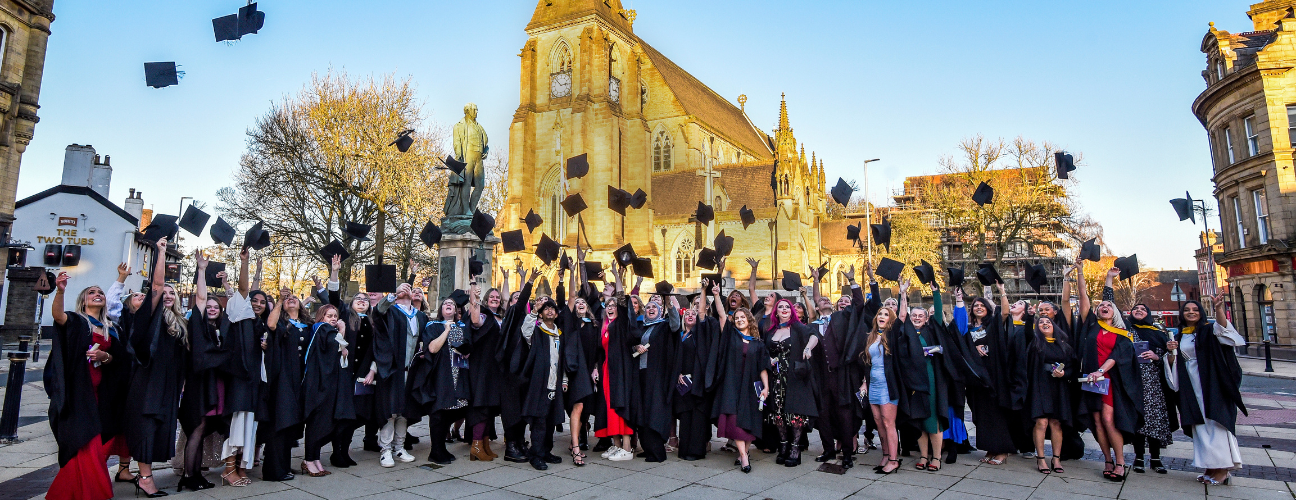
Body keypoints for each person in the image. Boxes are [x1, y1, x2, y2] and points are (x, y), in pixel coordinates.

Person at [45, 273, 130, 500]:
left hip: (102, 392)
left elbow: (117, 360)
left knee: (100, 438)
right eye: (91, 292)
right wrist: (60, 290)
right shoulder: (77, 321)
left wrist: (105, 356)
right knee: (86, 440)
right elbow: (58, 316)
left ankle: (72, 491)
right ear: (84, 300)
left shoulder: (112, 328)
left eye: (100, 292)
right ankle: (90, 492)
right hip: (79, 391)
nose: (97, 295)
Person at [123, 238, 188, 497]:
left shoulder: (180, 322)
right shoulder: (150, 317)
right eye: (165, 293)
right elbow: (158, 285)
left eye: (173, 293)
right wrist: (160, 252)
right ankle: (145, 478)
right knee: (147, 429)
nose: (168, 295)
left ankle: (146, 475)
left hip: (169, 384)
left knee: (161, 429)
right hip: (148, 382)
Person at [1164, 299, 1246, 485]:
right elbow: (1173, 363)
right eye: (1187, 310)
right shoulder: (1179, 336)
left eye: (1195, 309)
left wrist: (1218, 309)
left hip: (1211, 383)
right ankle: (1211, 465)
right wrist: (1170, 353)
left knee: (1215, 423)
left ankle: (1223, 469)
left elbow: (1224, 329)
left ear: (1201, 312)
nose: (1191, 312)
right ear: (1182, 313)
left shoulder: (1209, 330)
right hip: (1190, 385)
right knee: (1200, 426)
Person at [1076, 264, 1143, 482]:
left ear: (1115, 312)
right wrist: (1082, 273)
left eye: (1109, 305)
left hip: (1110, 380)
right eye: (1101, 305)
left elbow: (1117, 356)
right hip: (1092, 381)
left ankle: (1121, 461)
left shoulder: (1123, 333)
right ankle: (1107, 460)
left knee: (1108, 419)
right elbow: (1084, 296)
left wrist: (1100, 371)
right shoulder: (1091, 327)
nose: (1104, 306)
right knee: (1096, 421)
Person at [177, 252, 234, 489]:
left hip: (216, 385)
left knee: (203, 431)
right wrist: (201, 270)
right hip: (199, 385)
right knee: (197, 430)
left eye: (215, 306)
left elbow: (235, 306)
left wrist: (226, 285)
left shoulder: (222, 329)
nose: (211, 308)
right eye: (207, 306)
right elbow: (200, 298)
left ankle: (196, 474)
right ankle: (189, 477)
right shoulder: (197, 328)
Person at [812, 265, 875, 469]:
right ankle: (828, 449)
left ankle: (847, 453)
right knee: (824, 415)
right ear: (817, 306)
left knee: (845, 415)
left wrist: (853, 281)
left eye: (832, 300)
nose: (827, 301)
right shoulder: (812, 325)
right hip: (821, 377)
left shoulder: (841, 318)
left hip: (841, 375)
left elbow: (858, 303)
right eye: (823, 300)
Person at [323, 255, 376, 468]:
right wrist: (334, 271)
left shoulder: (373, 322)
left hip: (363, 374)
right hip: (345, 372)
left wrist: (373, 370)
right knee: (344, 414)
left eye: (365, 299)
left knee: (357, 415)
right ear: (352, 304)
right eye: (358, 299)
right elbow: (334, 298)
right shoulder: (345, 315)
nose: (362, 300)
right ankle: (338, 453)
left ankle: (344, 450)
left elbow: (376, 349)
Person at [707, 295, 770, 474]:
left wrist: (766, 387)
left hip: (751, 386)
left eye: (743, 317)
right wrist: (717, 295)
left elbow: (763, 367)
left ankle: (745, 452)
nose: (740, 320)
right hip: (732, 385)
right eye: (737, 318)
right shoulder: (731, 335)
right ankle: (743, 456)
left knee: (750, 422)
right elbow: (721, 315)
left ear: (750, 320)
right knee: (735, 420)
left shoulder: (758, 343)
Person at [409, 296, 472, 465]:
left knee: (453, 411)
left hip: (459, 374)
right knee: (438, 413)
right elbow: (432, 348)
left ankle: (442, 447)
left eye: (452, 304)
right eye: (445, 304)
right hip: (440, 374)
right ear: (441, 310)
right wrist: (446, 330)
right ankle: (435, 451)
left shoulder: (462, 326)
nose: (449, 305)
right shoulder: (433, 326)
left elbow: (468, 345)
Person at [965, 283, 1022, 466]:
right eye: (975, 305)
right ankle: (990, 447)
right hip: (977, 380)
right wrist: (975, 347)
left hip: (994, 377)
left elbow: (1005, 313)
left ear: (988, 309)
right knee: (981, 415)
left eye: (982, 305)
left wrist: (1002, 291)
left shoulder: (993, 324)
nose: (978, 307)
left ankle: (1003, 450)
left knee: (996, 414)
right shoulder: (969, 328)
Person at [371, 282, 429, 466]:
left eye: (408, 289)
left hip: (412, 371)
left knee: (404, 411)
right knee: (390, 410)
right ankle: (385, 450)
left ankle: (399, 447)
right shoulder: (391, 311)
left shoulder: (420, 316)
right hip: (392, 370)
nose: (405, 291)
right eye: (401, 289)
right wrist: (392, 295)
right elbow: (377, 314)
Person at [260, 285, 309, 480]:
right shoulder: (281, 324)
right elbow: (270, 325)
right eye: (288, 299)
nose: (291, 299)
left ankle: (285, 466)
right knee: (280, 423)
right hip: (283, 379)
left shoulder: (308, 324)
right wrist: (280, 300)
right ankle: (273, 471)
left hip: (301, 381)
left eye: (294, 298)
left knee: (291, 426)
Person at [763, 298, 818, 467]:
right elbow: (764, 350)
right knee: (778, 414)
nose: (785, 309)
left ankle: (795, 449)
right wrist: (769, 360)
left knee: (795, 414)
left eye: (788, 307)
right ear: (776, 312)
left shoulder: (797, 327)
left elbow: (814, 336)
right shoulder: (771, 331)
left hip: (794, 376)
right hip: (776, 378)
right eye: (781, 307)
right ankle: (784, 446)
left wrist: (808, 348)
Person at [301, 304, 352, 475]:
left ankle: (315, 458)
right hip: (319, 386)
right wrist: (343, 329)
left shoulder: (322, 330)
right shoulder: (323, 329)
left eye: (335, 316)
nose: (333, 319)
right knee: (316, 423)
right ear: (321, 317)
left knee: (319, 422)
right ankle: (309, 459)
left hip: (322, 384)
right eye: (329, 315)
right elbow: (338, 346)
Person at [519, 295, 568, 470]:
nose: (549, 311)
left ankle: (546, 451)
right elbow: (525, 331)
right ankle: (536, 454)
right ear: (541, 314)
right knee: (539, 420)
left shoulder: (559, 334)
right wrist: (533, 311)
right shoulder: (537, 331)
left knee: (550, 420)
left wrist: (564, 380)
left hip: (555, 382)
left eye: (552, 309)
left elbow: (562, 360)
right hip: (539, 382)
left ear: (556, 314)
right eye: (545, 308)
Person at [631, 293, 681, 463]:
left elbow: (676, 325)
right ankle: (647, 447)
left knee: (654, 412)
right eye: (649, 307)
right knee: (642, 412)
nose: (651, 309)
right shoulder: (642, 326)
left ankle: (657, 451)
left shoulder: (665, 326)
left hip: (657, 376)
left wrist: (670, 305)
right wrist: (635, 346)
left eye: (655, 307)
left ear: (660, 312)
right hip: (641, 374)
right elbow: (632, 344)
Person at [594, 263, 636, 462]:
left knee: (622, 405)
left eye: (613, 306)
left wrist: (614, 275)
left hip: (622, 370)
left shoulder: (621, 324)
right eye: (607, 306)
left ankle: (627, 448)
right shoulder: (605, 326)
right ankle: (616, 444)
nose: (610, 307)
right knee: (611, 406)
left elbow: (620, 297)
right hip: (608, 369)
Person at [1127, 303, 1175, 474]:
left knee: (1155, 420)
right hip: (1134, 381)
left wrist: (1157, 356)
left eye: (1143, 309)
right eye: (1135, 309)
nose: (1139, 311)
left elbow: (1171, 358)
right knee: (1138, 421)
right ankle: (1138, 457)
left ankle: (1156, 458)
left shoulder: (1158, 333)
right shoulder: (1126, 331)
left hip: (1154, 384)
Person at [559, 261, 599, 465]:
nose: (580, 304)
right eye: (578, 304)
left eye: (584, 303)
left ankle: (576, 439)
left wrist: (595, 369)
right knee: (577, 407)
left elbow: (597, 351)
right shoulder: (571, 323)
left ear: (588, 307)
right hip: (574, 371)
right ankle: (575, 446)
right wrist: (573, 272)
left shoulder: (594, 326)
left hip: (587, 372)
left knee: (583, 408)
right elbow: (572, 296)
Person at [1025, 315, 1073, 474]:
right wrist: (1030, 317)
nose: (1045, 324)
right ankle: (1040, 459)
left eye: (1048, 322)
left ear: (1054, 326)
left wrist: (1065, 373)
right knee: (1041, 422)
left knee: (1056, 423)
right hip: (1039, 386)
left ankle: (1056, 458)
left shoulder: (1065, 346)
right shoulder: (1035, 344)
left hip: (1059, 388)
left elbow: (1073, 367)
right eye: (1041, 323)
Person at [673, 293, 717, 461]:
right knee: (685, 418)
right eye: (687, 314)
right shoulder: (680, 336)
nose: (690, 316)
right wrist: (677, 374)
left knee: (698, 418)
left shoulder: (703, 333)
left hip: (698, 382)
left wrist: (705, 291)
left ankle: (697, 451)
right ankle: (684, 450)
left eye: (693, 314)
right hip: (683, 383)